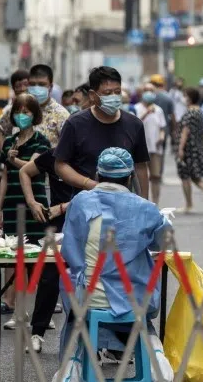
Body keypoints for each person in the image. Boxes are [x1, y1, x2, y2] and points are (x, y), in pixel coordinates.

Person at [59, 148, 171, 361]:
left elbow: (68, 248)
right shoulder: (146, 209)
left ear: (98, 174)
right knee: (143, 319)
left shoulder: (80, 202)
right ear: (130, 178)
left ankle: (77, 362)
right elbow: (164, 241)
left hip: (86, 298)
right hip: (133, 300)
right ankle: (155, 359)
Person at [0, 94, 51, 327]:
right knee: (15, 259)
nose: (22, 115)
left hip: (34, 205)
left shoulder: (41, 141)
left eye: (27, 112)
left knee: (35, 260)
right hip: (12, 205)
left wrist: (12, 160)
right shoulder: (9, 142)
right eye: (18, 111)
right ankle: (20, 313)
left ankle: (40, 315)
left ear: (35, 115)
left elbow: (32, 168)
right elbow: (5, 178)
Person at [55, 66, 151, 201]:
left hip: (124, 204)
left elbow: (140, 166)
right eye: (107, 93)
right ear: (92, 95)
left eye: (117, 92)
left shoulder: (134, 124)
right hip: (86, 203)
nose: (113, 97)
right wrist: (90, 184)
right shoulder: (75, 124)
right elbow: (60, 165)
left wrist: (144, 201)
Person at [19, 146, 75, 353]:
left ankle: (106, 342)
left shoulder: (92, 153)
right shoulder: (54, 155)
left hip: (87, 223)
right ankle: (37, 332)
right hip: (57, 227)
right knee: (49, 278)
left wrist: (63, 207)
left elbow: (98, 191)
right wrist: (32, 202)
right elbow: (24, 171)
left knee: (92, 279)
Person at [0, 64, 68, 148]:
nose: (36, 88)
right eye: (32, 84)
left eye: (41, 84)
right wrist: (5, 152)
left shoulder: (61, 115)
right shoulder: (18, 108)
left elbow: (69, 146)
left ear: (50, 87)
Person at [177, 87, 203, 212]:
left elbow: (185, 131)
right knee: (195, 176)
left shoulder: (189, 113)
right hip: (198, 146)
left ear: (190, 98)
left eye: (185, 96)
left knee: (185, 175)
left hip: (189, 148)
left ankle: (188, 204)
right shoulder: (199, 111)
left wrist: (180, 148)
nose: (184, 98)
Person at [135, 83, 167, 204]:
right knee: (140, 176)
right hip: (140, 148)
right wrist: (146, 113)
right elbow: (135, 124)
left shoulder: (158, 110)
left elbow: (162, 127)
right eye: (146, 90)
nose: (149, 92)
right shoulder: (136, 108)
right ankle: (142, 202)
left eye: (151, 90)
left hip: (155, 148)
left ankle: (155, 203)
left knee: (155, 177)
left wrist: (162, 136)